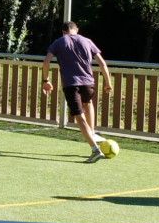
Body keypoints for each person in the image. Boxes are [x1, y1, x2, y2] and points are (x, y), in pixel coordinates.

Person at [41, 21, 114, 163]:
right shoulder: (87, 41)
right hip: (88, 82)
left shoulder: (59, 42)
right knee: (88, 103)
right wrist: (108, 82)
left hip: (71, 83)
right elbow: (102, 63)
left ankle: (95, 149)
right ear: (77, 30)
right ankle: (92, 133)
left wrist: (46, 80)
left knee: (79, 116)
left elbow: (46, 62)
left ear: (63, 31)